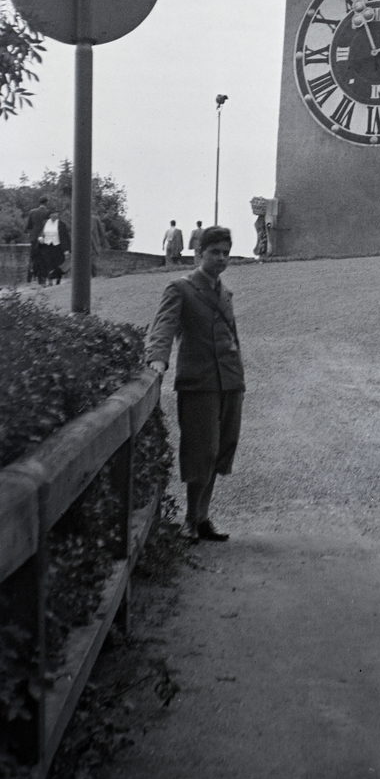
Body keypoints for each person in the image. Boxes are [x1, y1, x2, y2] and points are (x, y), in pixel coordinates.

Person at [145, 226, 244, 543]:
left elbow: (232, 338)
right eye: (215, 252)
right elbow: (163, 327)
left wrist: (238, 378)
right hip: (199, 383)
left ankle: (202, 518)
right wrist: (158, 359)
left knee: (219, 452)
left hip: (229, 381)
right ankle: (190, 520)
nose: (221, 258)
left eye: (226, 253)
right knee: (202, 451)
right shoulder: (181, 288)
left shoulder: (225, 293)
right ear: (199, 253)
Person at [25, 197, 51, 284]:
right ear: (46, 202)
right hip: (44, 238)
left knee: (33, 257)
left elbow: (28, 226)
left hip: (34, 238)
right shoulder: (48, 212)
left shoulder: (32, 212)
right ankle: (42, 278)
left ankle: (30, 275)